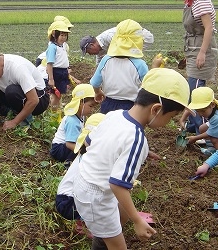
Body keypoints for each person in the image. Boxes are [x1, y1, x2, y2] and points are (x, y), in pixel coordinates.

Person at [73, 68, 190, 250]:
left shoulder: (115, 114)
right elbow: (118, 185)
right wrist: (137, 221)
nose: (170, 122)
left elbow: (89, 142)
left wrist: (122, 152)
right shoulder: (137, 139)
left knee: (118, 218)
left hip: (82, 182)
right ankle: (105, 239)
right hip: (97, 196)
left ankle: (105, 237)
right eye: (172, 116)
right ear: (157, 109)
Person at [170, 0, 218, 135]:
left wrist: (202, 53)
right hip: (193, 46)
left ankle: (204, 133)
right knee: (193, 89)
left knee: (195, 92)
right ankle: (193, 125)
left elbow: (209, 28)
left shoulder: (200, 1)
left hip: (202, 47)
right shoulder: (190, 1)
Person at [89, 19, 161, 114]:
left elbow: (95, 83)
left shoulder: (106, 60)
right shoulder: (139, 64)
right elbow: (149, 85)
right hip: (131, 107)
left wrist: (98, 92)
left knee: (107, 127)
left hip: (108, 104)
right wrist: (155, 67)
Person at [55, 113, 105, 239]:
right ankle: (81, 223)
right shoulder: (91, 159)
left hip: (67, 199)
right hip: (68, 204)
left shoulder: (87, 152)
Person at [0, 50, 49, 131]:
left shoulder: (17, 67)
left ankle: (25, 121)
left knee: (12, 91)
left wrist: (15, 122)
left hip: (39, 99)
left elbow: (34, 100)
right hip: (16, 96)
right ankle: (11, 115)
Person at [50, 84, 97, 163]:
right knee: (82, 150)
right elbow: (69, 144)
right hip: (60, 149)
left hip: (68, 145)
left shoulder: (81, 116)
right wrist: (84, 153)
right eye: (91, 106)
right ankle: (69, 162)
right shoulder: (72, 121)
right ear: (80, 102)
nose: (92, 109)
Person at [180, 87, 218, 154]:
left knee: (215, 139)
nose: (200, 114)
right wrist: (182, 120)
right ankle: (212, 149)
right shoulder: (204, 107)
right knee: (202, 128)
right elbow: (190, 109)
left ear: (212, 105)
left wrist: (195, 138)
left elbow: (210, 133)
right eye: (198, 111)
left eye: (203, 111)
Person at [80, 25, 154, 64]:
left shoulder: (109, 37)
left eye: (88, 52)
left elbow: (121, 53)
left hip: (143, 37)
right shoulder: (99, 47)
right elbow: (100, 62)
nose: (89, 54)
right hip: (130, 43)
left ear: (92, 45)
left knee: (126, 59)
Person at [45, 20, 71, 112]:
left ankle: (58, 111)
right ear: (54, 34)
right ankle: (54, 114)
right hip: (57, 73)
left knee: (60, 94)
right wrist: (51, 79)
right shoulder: (53, 47)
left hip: (63, 72)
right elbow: (50, 64)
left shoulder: (62, 46)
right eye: (61, 35)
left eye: (65, 35)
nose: (63, 38)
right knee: (55, 95)